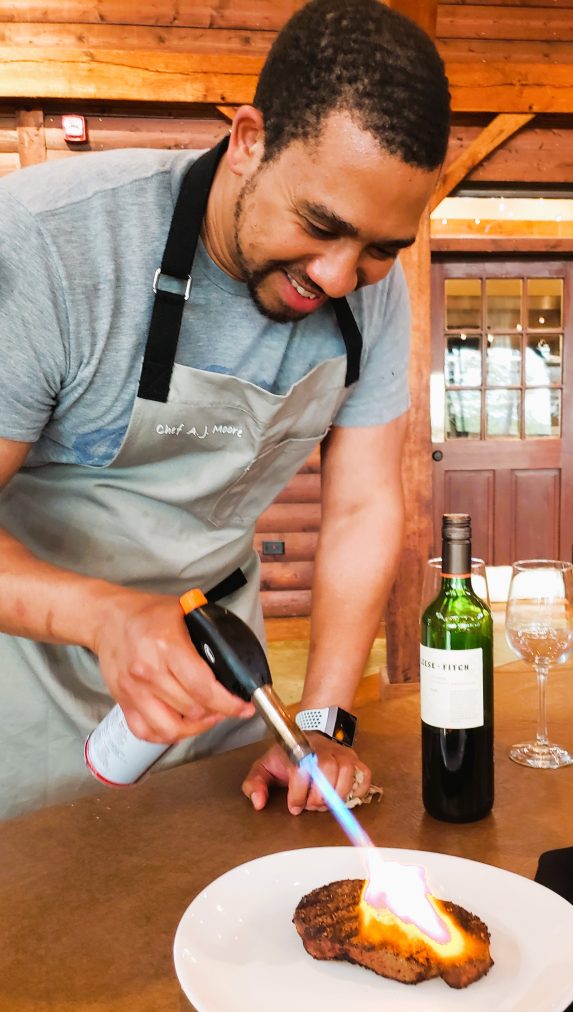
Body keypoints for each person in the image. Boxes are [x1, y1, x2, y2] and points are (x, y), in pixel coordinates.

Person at [0, 0, 450, 820]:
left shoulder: (369, 299)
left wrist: (317, 722)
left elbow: (359, 508)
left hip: (219, 689)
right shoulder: (49, 243)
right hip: (30, 682)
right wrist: (110, 620)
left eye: (382, 248)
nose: (340, 278)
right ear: (248, 142)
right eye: (321, 226)